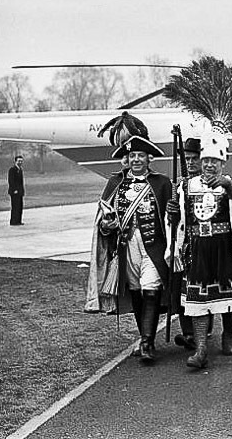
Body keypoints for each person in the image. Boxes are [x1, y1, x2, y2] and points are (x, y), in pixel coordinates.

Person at [169, 128, 232, 369]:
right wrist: (172, 213)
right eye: (206, 161)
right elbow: (178, 221)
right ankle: (201, 348)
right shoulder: (186, 186)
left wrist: (229, 186)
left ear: (222, 163)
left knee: (227, 298)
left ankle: (227, 335)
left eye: (215, 161)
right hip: (197, 252)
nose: (209, 165)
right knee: (198, 300)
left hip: (224, 251)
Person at [86, 133, 175, 365]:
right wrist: (106, 225)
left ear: (149, 159)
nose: (136, 159)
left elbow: (173, 218)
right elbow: (103, 221)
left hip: (153, 249)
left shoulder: (161, 183)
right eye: (132, 155)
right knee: (136, 292)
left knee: (151, 289)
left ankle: (146, 342)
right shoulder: (116, 183)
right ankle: (146, 338)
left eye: (141, 156)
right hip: (127, 249)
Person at [172, 137, 213, 351]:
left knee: (206, 292)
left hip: (207, 243)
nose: (190, 163)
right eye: (187, 159)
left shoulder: (211, 183)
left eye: (194, 158)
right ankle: (189, 333)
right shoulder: (180, 185)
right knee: (182, 290)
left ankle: (204, 333)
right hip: (185, 244)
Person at [8, 155, 25, 225]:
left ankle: (18, 220)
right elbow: (11, 181)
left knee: (20, 206)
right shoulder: (12, 170)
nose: (20, 162)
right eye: (18, 161)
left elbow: (21, 182)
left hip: (20, 192)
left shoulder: (20, 170)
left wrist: (22, 191)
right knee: (15, 206)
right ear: (15, 161)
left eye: (21, 161)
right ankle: (13, 221)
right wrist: (14, 189)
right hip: (14, 192)